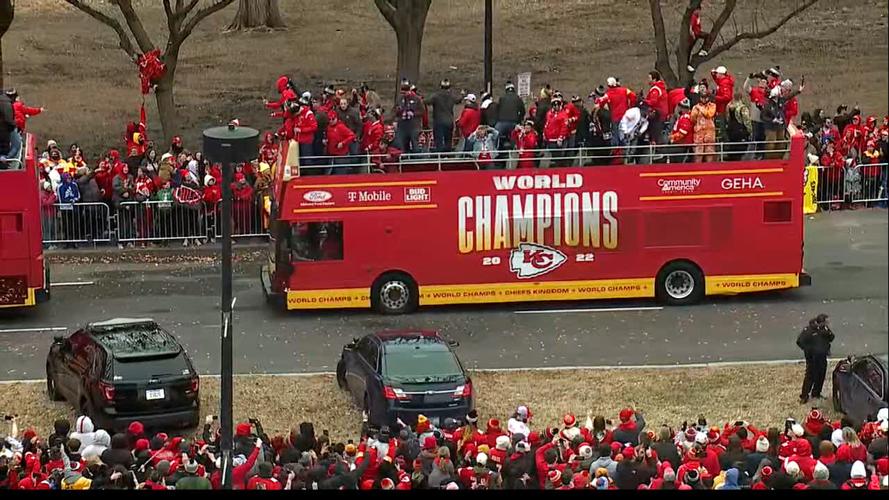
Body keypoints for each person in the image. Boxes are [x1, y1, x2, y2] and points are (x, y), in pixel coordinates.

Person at [796, 314, 834, 404]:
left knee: (821, 375)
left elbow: (831, 337)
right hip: (812, 358)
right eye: (826, 322)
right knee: (810, 375)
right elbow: (800, 341)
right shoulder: (809, 331)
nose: (828, 324)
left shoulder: (824, 329)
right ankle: (804, 395)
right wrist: (808, 350)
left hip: (822, 356)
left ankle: (816, 393)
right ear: (821, 322)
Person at [5, 89, 44, 161]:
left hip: (9, 127)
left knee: (11, 143)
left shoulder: (7, 106)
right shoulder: (18, 105)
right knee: (17, 145)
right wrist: (39, 110)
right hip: (16, 127)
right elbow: (29, 110)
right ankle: (8, 159)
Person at [598, 77, 637, 147]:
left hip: (615, 118)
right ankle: (627, 152)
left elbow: (600, 102)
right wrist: (631, 107)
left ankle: (616, 153)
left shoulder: (608, 94)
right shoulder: (625, 90)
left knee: (615, 136)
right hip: (625, 116)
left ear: (609, 85)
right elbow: (633, 97)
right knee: (626, 134)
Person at [394, 79, 425, 154]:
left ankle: (416, 160)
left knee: (415, 146)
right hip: (402, 126)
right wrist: (398, 111)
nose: (404, 94)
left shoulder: (417, 99)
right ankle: (405, 159)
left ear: (409, 91)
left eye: (405, 93)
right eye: (402, 93)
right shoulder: (400, 99)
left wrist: (413, 113)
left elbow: (422, 111)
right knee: (402, 146)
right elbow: (394, 110)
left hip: (414, 126)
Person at [427, 80, 458, 153]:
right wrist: (463, 95)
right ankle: (448, 155)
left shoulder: (436, 96)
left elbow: (427, 101)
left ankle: (440, 156)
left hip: (439, 121)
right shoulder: (451, 96)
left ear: (440, 87)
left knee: (439, 140)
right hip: (449, 121)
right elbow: (458, 100)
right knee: (448, 140)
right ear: (449, 87)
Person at [495, 82, 526, 150]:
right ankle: (515, 149)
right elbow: (523, 111)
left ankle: (496, 151)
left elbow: (497, 109)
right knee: (516, 136)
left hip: (502, 122)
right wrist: (519, 120)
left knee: (496, 135)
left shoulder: (502, 98)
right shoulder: (518, 98)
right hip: (514, 122)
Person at [690, 90, 717, 162]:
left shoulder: (712, 106)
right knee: (698, 152)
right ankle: (697, 169)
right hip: (699, 132)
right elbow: (692, 118)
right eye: (702, 97)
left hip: (710, 133)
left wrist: (700, 108)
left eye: (706, 97)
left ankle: (709, 169)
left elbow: (709, 114)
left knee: (709, 152)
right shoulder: (695, 107)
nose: (704, 99)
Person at [725, 91, 751, 161]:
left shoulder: (729, 105)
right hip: (740, 129)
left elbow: (727, 117)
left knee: (732, 145)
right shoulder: (742, 107)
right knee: (740, 147)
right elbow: (746, 120)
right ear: (741, 97)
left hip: (731, 128)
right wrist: (749, 130)